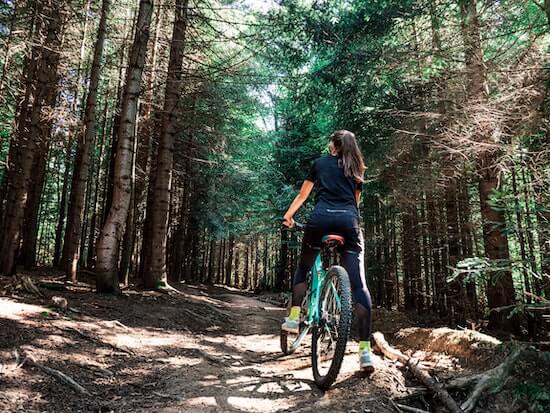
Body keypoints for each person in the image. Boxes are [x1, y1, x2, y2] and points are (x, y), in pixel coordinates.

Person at [281, 130, 374, 373]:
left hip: (320, 220)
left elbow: (304, 195)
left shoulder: (319, 164)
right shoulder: (357, 167)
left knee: (304, 267)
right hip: (348, 223)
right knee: (359, 285)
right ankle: (365, 352)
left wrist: (289, 216)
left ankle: (293, 317)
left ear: (333, 146)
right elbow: (356, 202)